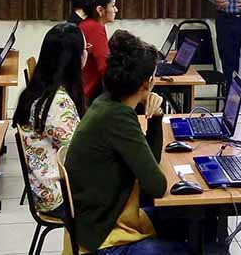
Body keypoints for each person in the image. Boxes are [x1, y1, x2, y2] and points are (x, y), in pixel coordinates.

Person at [65, 30, 190, 254]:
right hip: (102, 238)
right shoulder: (118, 118)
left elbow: (150, 162)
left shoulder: (107, 102)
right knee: (186, 245)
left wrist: (155, 118)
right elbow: (156, 186)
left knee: (187, 221)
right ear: (147, 83)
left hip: (99, 219)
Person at [13, 23, 86, 218]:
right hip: (58, 196)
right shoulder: (57, 103)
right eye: (84, 49)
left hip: (48, 186)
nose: (86, 54)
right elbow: (80, 153)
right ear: (74, 59)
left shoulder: (42, 89)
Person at [79, 0, 117, 101]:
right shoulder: (95, 28)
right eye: (113, 6)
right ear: (100, 10)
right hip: (86, 95)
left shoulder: (88, 24)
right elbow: (105, 67)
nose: (116, 10)